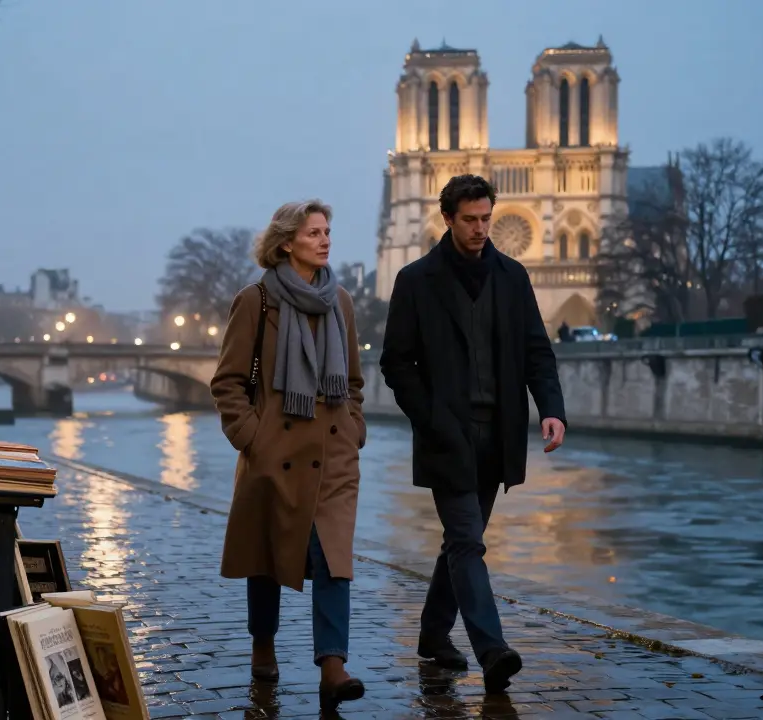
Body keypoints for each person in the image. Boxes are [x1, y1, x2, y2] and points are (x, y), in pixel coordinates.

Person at [380, 174, 567, 693]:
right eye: (471, 220)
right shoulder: (416, 280)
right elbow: (396, 363)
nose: (482, 228)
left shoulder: (513, 277)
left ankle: (433, 633)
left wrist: (551, 409)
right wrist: (431, 417)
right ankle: (493, 650)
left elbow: (537, 351)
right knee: (467, 543)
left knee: (463, 542)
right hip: (448, 435)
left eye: (487, 218)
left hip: (500, 434)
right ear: (448, 219)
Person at [209, 199, 367, 713]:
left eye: (327, 232)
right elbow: (228, 382)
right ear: (285, 243)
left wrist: (355, 428)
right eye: (313, 233)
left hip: (334, 450)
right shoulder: (256, 301)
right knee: (267, 557)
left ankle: (333, 666)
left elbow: (356, 381)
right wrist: (253, 438)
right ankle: (264, 643)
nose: (324, 240)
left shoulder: (340, 300)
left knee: (333, 557)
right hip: (275, 449)